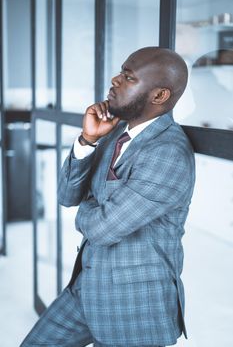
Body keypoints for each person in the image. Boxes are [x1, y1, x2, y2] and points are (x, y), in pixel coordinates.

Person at [21, 46, 195, 347]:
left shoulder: (168, 154)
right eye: (121, 72)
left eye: (128, 77)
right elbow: (66, 195)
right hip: (85, 288)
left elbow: (102, 229)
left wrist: (86, 209)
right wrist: (88, 140)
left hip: (132, 307)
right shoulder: (114, 133)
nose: (114, 80)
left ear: (159, 96)